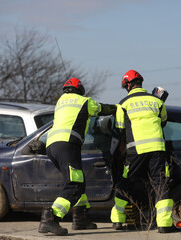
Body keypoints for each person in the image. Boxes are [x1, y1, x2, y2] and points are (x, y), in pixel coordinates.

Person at [38, 78, 116, 236]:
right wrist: (118, 108)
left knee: (79, 181)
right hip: (67, 145)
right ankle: (50, 218)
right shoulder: (85, 101)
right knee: (74, 185)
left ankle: (80, 218)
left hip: (52, 146)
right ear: (80, 90)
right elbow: (104, 109)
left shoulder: (60, 102)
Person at [110, 70, 177, 233]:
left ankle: (118, 220)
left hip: (135, 151)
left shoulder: (123, 104)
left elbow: (119, 129)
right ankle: (164, 224)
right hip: (157, 150)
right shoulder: (157, 101)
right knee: (161, 184)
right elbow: (163, 122)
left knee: (125, 182)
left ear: (128, 85)